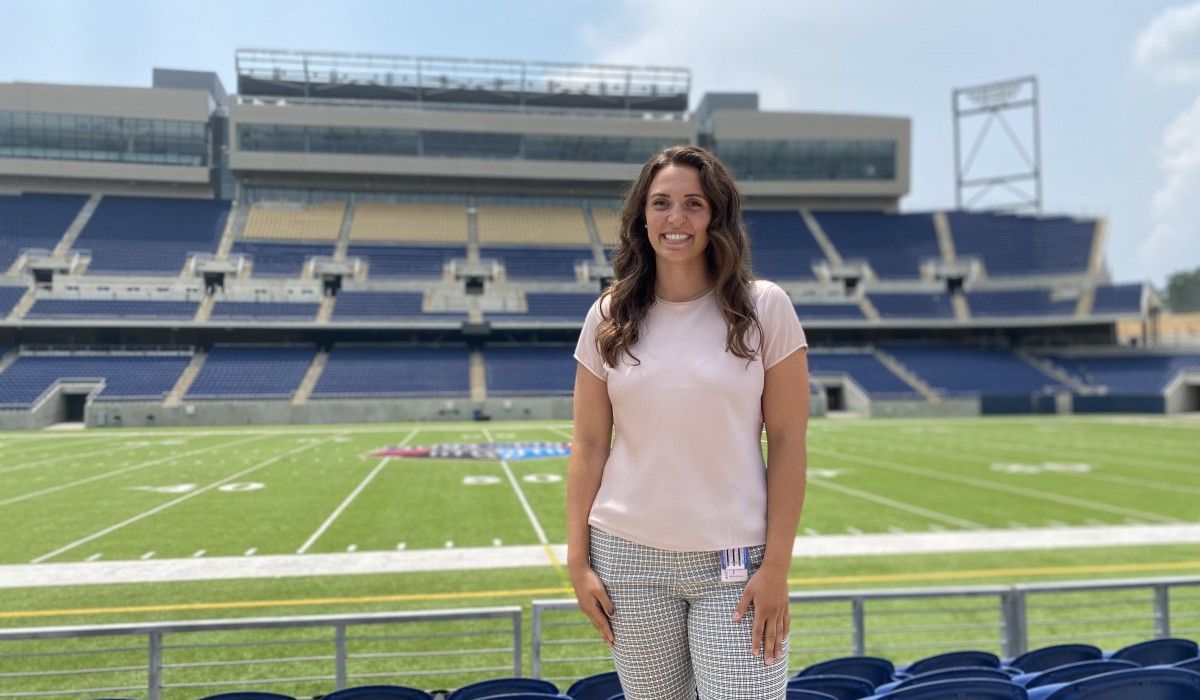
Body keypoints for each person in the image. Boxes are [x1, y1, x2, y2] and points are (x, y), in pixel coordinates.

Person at [567, 144, 810, 699]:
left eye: (693, 204)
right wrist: (578, 563)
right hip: (626, 559)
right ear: (642, 217)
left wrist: (776, 569)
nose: (675, 219)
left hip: (736, 563)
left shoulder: (763, 307)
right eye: (661, 203)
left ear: (715, 216)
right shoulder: (609, 316)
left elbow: (790, 446)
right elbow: (587, 447)